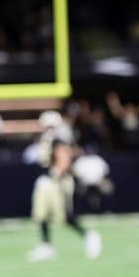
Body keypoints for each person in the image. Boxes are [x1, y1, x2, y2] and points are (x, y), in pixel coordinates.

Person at [28, 110, 101, 262]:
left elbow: (64, 157)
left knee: (63, 216)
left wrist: (58, 172)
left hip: (57, 180)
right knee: (41, 214)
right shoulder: (48, 138)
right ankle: (46, 246)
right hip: (47, 179)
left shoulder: (59, 138)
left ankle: (88, 235)